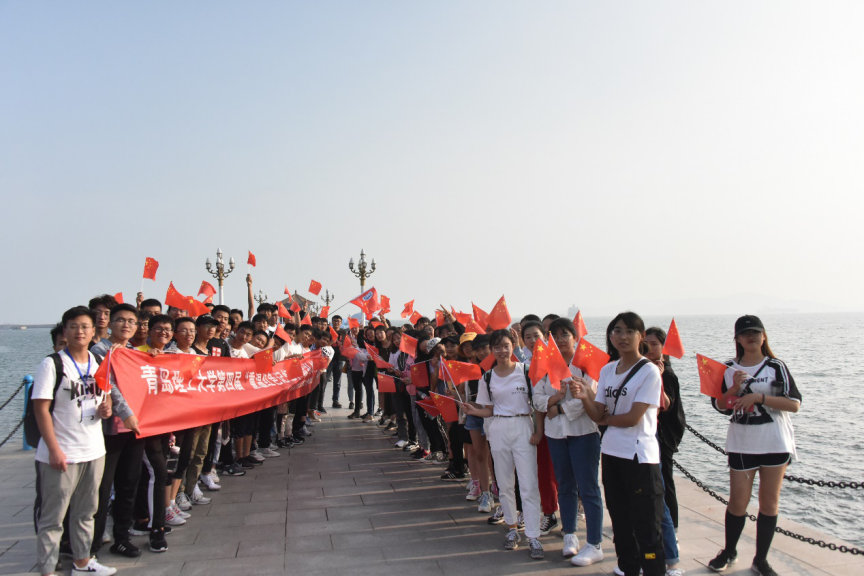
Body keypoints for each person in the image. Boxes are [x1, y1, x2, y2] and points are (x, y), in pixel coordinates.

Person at [573, 311, 665, 576]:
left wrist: (605, 418)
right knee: (621, 524)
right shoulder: (607, 370)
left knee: (647, 527)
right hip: (612, 454)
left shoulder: (649, 371)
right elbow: (597, 414)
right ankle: (628, 568)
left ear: (640, 336)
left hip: (639, 457)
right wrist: (585, 397)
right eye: (617, 331)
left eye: (629, 331)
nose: (622, 336)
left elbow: (633, 417)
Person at [707, 315, 801, 576]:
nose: (751, 336)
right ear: (737, 338)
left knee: (769, 503)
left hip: (774, 442)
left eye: (756, 332)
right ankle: (729, 551)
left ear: (763, 336)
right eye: (745, 332)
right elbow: (719, 406)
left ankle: (761, 559)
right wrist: (734, 389)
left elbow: (794, 404)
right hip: (742, 443)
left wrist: (758, 397)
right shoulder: (727, 368)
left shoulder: (775, 366)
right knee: (738, 501)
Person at [32, 306, 117, 576]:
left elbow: (105, 395)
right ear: (65, 331)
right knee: (53, 517)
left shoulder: (98, 361)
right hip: (62, 453)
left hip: (94, 450)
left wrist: (106, 408)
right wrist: (53, 449)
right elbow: (41, 409)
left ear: (94, 331)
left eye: (84, 326)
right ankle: (47, 570)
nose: (79, 331)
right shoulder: (52, 364)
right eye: (73, 326)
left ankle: (82, 563)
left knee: (86, 512)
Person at [464, 329, 545, 560]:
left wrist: (538, 432)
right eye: (497, 347)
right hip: (498, 428)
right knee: (504, 482)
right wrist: (473, 410)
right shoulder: (487, 378)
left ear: (513, 345)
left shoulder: (525, 371)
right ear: (492, 350)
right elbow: (489, 410)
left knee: (528, 484)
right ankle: (512, 528)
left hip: (523, 426)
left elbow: (538, 404)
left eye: (506, 346)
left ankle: (533, 535)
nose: (502, 351)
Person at [533, 318, 605, 566]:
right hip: (556, 434)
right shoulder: (546, 366)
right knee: (564, 485)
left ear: (575, 337)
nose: (560, 339)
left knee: (588, 488)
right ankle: (570, 534)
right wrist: (554, 401)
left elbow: (586, 400)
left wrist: (558, 409)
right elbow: (537, 399)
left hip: (583, 433)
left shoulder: (585, 365)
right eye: (554, 335)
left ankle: (594, 542)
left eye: (565, 334)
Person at [89, 304, 145, 559]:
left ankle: (122, 538)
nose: (126, 325)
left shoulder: (134, 352)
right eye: (121, 320)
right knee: (102, 489)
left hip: (135, 428)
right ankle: (92, 544)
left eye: (131, 321)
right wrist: (127, 413)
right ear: (109, 323)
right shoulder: (99, 351)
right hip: (109, 429)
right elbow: (109, 386)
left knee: (128, 484)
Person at [644, 326, 686, 576]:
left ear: (664, 347)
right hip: (650, 435)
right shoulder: (645, 369)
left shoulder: (666, 373)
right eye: (646, 343)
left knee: (665, 485)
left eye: (655, 344)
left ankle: (673, 532)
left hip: (663, 436)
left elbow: (666, 406)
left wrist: (657, 378)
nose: (650, 348)